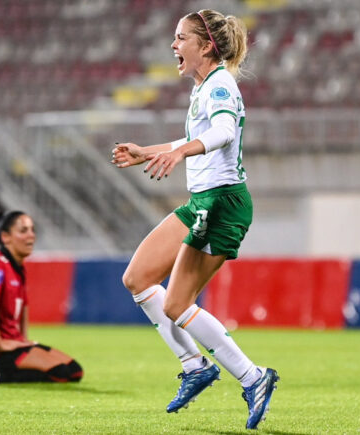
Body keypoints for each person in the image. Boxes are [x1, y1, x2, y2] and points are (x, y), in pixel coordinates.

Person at [111, 10, 278, 430]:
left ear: (205, 46)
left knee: (176, 303)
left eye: (181, 38)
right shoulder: (205, 85)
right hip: (202, 200)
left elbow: (222, 132)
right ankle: (194, 366)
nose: (173, 46)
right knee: (137, 278)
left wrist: (179, 154)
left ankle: (253, 377)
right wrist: (148, 151)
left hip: (221, 202)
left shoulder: (220, 84)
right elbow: (196, 135)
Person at [0, 210, 83, 385]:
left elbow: (23, 308)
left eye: (32, 230)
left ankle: (4, 373)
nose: (31, 236)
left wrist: (24, 341)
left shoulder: (16, 269)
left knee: (74, 371)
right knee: (61, 373)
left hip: (13, 345)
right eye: (23, 230)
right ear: (5, 237)